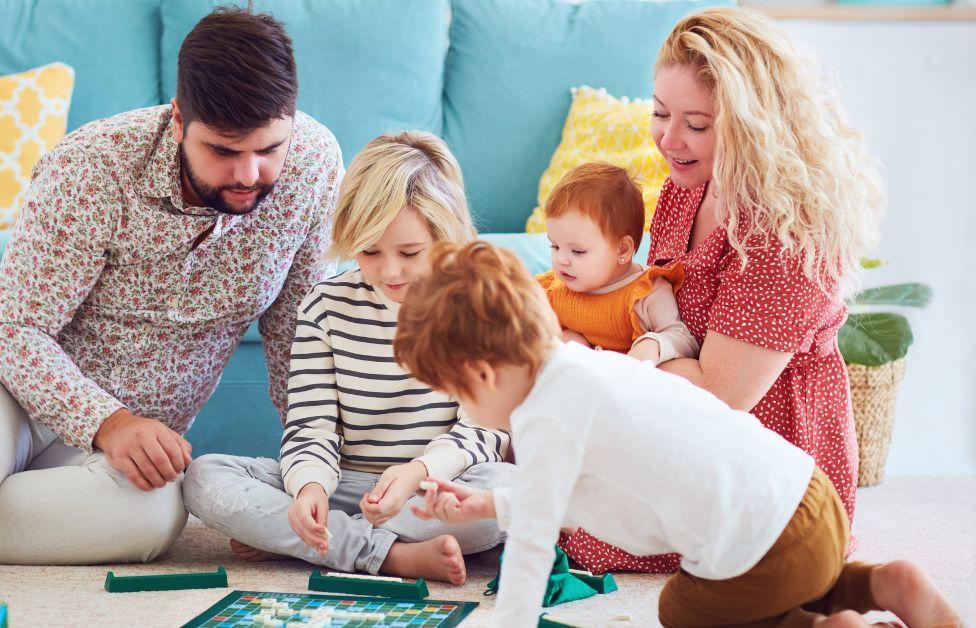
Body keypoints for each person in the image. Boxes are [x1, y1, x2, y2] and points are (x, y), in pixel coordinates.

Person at [0, 7, 343, 565]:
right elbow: (16, 330)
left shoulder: (315, 167)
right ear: (177, 121)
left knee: (151, 519)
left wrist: (316, 471)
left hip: (132, 427)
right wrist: (108, 422)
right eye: (222, 151)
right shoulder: (92, 166)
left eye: (269, 150)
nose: (248, 176)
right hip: (7, 376)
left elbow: (298, 338)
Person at [396, 240, 958, 628]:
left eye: (459, 395)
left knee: (685, 609)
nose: (465, 408)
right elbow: (575, 494)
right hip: (807, 498)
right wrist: (491, 503)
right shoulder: (586, 365)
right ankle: (882, 585)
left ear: (484, 374)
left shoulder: (544, 418)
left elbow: (534, 545)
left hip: (765, 544)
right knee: (783, 574)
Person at [562, 5, 886, 574]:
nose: (668, 139)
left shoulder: (789, 234)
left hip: (764, 459)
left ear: (754, 125)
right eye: (661, 113)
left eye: (697, 124)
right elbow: (656, 309)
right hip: (682, 418)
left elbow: (717, 396)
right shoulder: (688, 187)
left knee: (576, 532)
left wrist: (587, 357)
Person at [183, 132, 512, 585]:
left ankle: (305, 543)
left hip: (433, 488)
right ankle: (389, 555)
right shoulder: (326, 305)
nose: (390, 271)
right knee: (204, 477)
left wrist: (419, 471)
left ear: (445, 233)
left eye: (410, 253)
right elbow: (311, 425)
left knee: (511, 494)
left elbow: (484, 431)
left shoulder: (481, 305)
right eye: (370, 251)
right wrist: (310, 488)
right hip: (344, 486)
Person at [537, 162, 698, 365]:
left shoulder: (647, 292)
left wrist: (653, 344)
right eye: (555, 246)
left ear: (622, 250)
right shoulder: (553, 288)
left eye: (578, 251)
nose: (561, 260)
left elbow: (684, 340)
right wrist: (561, 337)